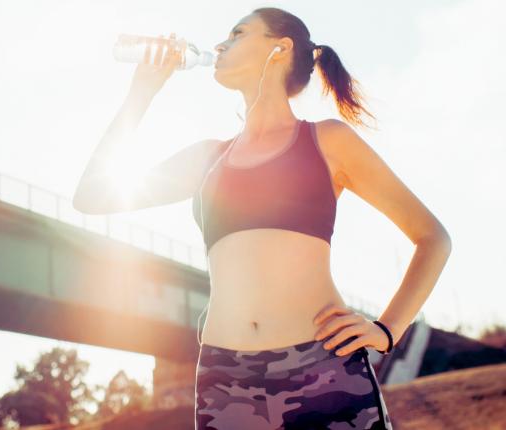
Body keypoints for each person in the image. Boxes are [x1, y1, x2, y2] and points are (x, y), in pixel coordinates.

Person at [73, 6, 451, 429]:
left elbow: (432, 237)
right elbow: (93, 196)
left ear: (280, 47)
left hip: (324, 371)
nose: (219, 44)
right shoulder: (207, 157)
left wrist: (387, 329)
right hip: (227, 381)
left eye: (237, 33)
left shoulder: (326, 140)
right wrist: (140, 93)